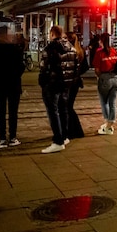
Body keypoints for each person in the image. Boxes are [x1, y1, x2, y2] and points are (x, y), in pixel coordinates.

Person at [39, 25, 78, 153]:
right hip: (66, 85)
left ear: (52, 34)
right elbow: (75, 67)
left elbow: (43, 67)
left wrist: (43, 81)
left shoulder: (49, 48)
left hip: (52, 85)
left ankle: (58, 141)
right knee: (63, 110)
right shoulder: (72, 48)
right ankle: (64, 136)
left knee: (53, 111)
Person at [92, 32, 117, 135]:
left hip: (105, 78)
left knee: (104, 102)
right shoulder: (115, 51)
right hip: (116, 79)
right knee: (113, 103)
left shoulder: (99, 52)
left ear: (102, 41)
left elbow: (97, 69)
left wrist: (101, 77)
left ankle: (107, 125)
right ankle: (110, 123)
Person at [65, 32, 87, 140]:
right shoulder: (80, 51)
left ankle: (75, 131)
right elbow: (86, 66)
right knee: (69, 106)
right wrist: (78, 73)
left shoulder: (70, 51)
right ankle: (75, 131)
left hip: (70, 82)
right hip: (76, 82)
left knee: (68, 106)